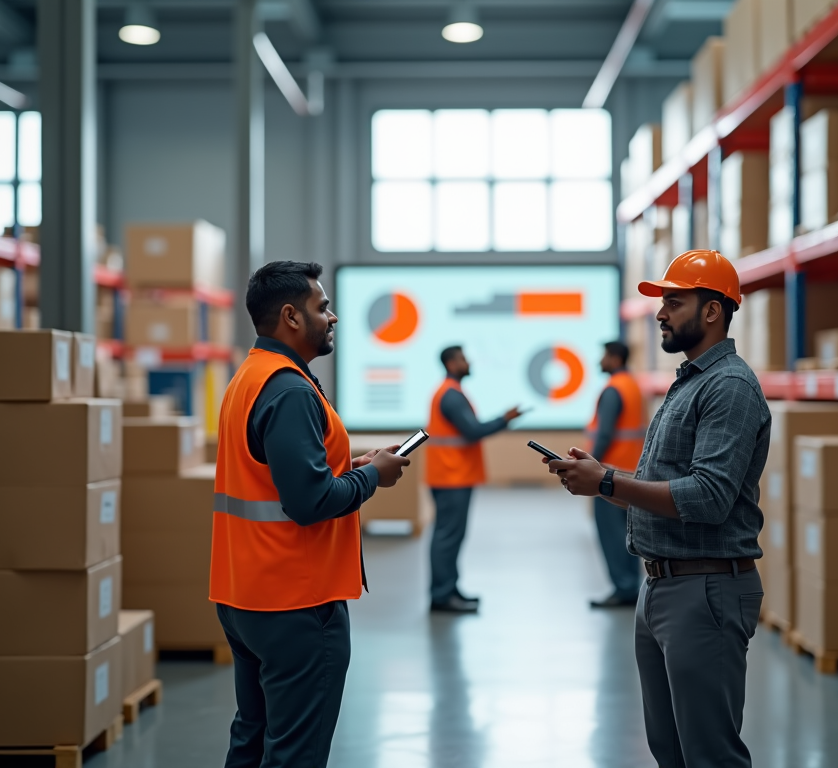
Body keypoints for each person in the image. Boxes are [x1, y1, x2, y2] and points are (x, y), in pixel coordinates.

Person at [547, 250, 770, 768]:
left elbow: (708, 497)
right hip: (662, 585)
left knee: (709, 754)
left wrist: (606, 484)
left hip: (705, 588)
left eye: (674, 301)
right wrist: (608, 474)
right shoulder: (689, 381)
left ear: (712, 311)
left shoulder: (729, 386)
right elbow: (666, 480)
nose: (661, 312)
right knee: (669, 750)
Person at [209, 261, 411, 768]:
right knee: (295, 752)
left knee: (252, 741)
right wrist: (374, 477)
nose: (333, 317)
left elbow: (282, 476)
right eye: (322, 307)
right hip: (295, 601)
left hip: (244, 592)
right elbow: (310, 503)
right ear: (290, 317)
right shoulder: (291, 390)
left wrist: (350, 467)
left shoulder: (249, 378)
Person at [425, 345, 523, 613]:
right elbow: (472, 431)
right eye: (463, 359)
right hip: (451, 476)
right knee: (447, 537)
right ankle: (443, 596)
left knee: (451, 536)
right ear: (451, 363)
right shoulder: (451, 396)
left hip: (451, 475)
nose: (468, 363)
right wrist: (505, 419)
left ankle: (449, 589)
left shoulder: (450, 392)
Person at [585, 340, 647, 608]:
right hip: (631, 471)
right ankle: (630, 586)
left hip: (607, 474)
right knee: (628, 533)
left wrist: (588, 465)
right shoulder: (632, 385)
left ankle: (623, 588)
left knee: (611, 533)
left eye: (603, 356)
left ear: (613, 358)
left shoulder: (613, 390)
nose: (600, 361)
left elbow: (606, 433)